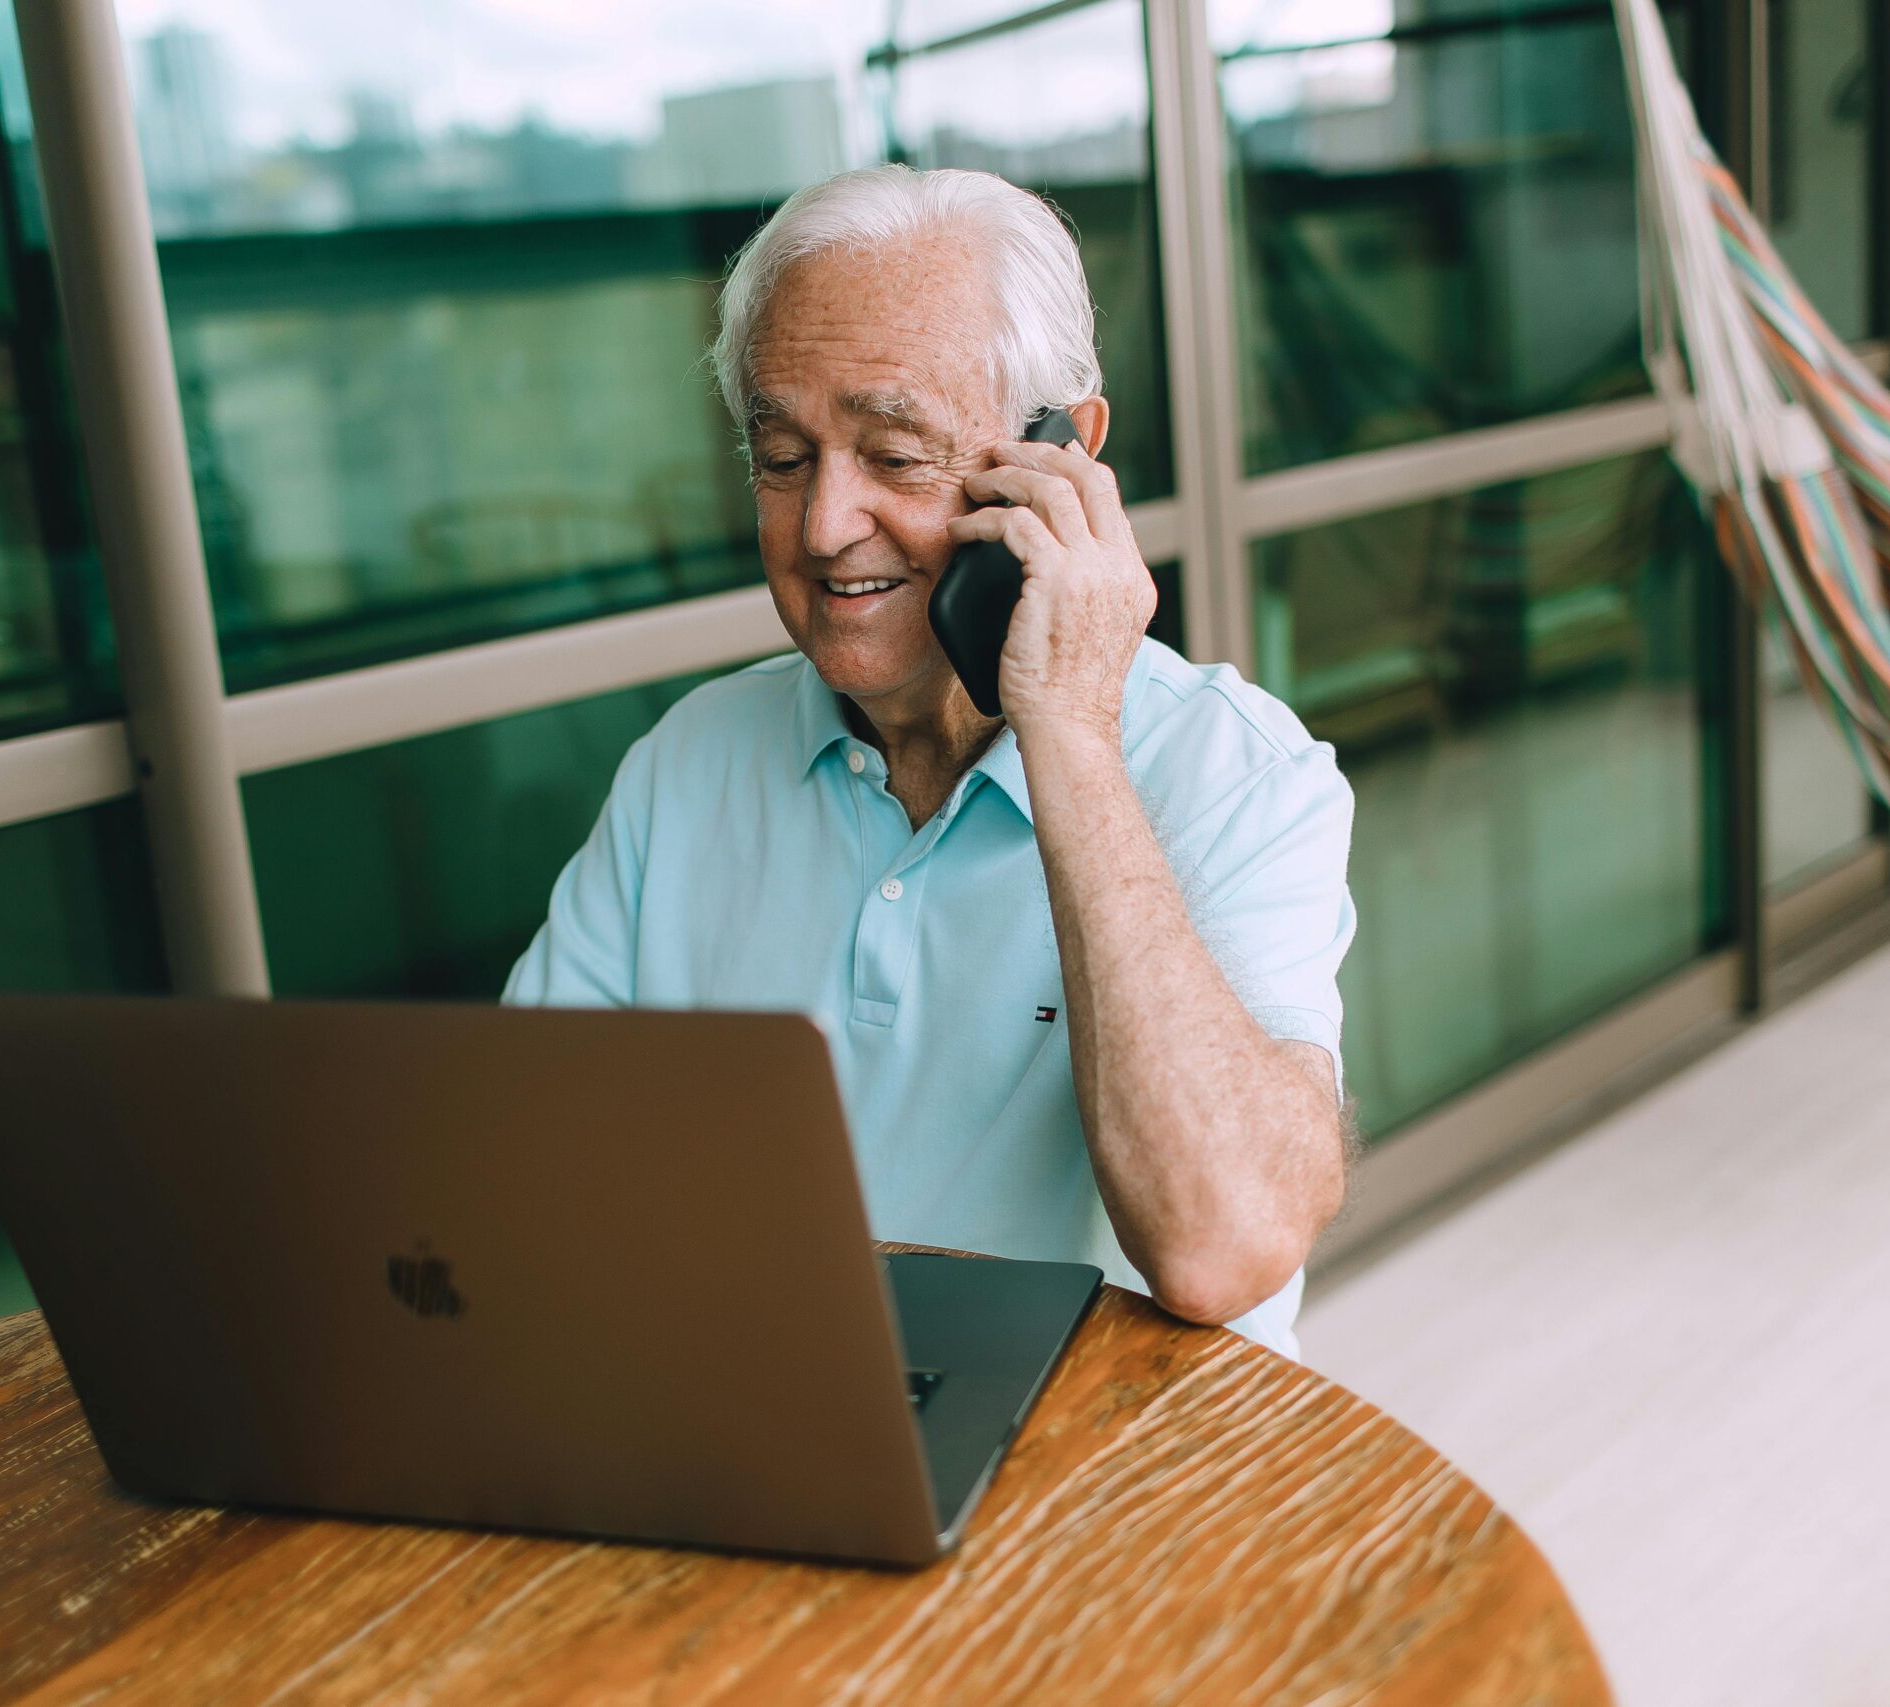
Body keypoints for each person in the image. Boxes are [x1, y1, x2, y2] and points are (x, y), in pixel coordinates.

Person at [505, 165, 1354, 1355]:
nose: (822, 527)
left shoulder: (1241, 772)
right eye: (784, 456)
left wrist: (1065, 728)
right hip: (765, 1410)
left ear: (1061, 458)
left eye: (894, 454)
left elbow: (1224, 1245)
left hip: (1110, 1474)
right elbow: (523, 1170)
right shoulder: (687, 763)